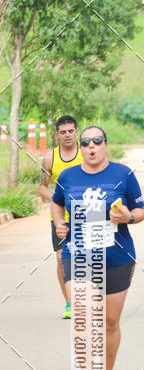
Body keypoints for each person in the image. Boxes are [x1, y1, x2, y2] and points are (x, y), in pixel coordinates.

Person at [50, 126, 144, 370]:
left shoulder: (123, 174)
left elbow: (141, 212)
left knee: (110, 321)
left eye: (96, 141)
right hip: (77, 254)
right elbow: (57, 203)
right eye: (85, 143)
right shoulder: (68, 176)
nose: (91, 146)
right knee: (83, 316)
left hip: (117, 256)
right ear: (81, 147)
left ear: (106, 144)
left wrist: (126, 216)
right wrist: (59, 223)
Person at [38, 115, 82, 319]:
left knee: (89, 259)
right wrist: (57, 199)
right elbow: (42, 186)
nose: (67, 135)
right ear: (57, 135)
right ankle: (69, 303)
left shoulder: (87, 152)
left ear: (76, 132)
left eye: (70, 131)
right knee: (61, 259)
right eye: (63, 132)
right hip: (60, 218)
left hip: (87, 216)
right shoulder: (49, 158)